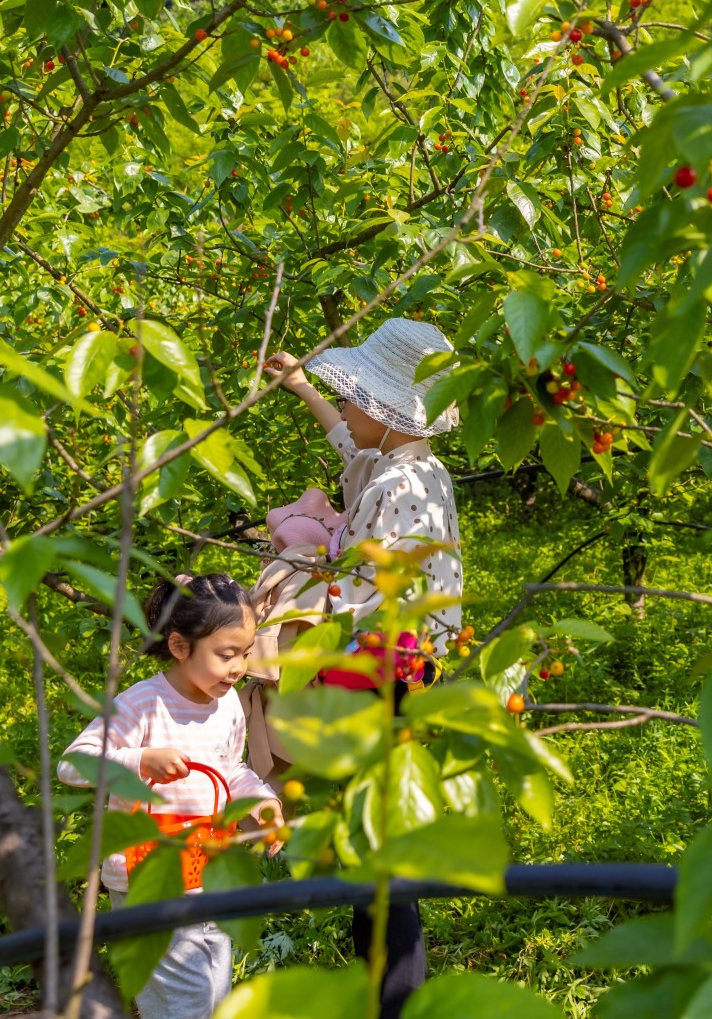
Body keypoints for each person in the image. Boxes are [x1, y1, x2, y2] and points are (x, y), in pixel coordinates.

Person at [260, 316, 462, 1019]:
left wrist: (292, 586)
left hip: (388, 673)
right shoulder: (408, 467)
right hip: (396, 670)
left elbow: (374, 599)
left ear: (385, 408)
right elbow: (353, 446)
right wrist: (301, 389)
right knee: (373, 845)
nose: (344, 405)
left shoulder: (405, 489)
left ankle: (395, 998)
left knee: (379, 854)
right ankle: (385, 986)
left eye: (352, 396)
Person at [59, 574, 282, 1019]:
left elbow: (230, 767)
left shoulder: (229, 705)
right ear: (180, 647)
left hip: (210, 870)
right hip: (149, 877)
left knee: (215, 995)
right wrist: (138, 761)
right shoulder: (142, 704)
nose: (238, 667)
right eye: (225, 655)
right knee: (185, 1002)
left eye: (245, 652)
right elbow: (73, 764)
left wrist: (259, 799)